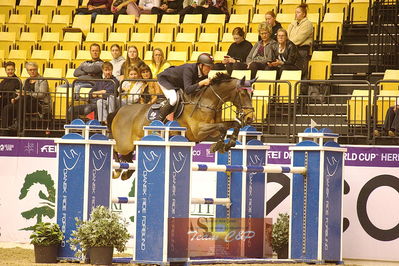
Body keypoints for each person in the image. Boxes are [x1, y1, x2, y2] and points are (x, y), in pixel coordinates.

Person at [156, 52, 214, 121]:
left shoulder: (203, 73)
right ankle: (159, 120)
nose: (209, 69)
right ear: (201, 65)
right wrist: (202, 83)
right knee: (173, 99)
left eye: (211, 67)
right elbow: (188, 90)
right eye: (208, 67)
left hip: (178, 84)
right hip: (166, 80)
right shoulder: (189, 69)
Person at [1, 62, 49, 132]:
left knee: (24, 99)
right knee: (8, 108)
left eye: (34, 69)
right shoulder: (26, 80)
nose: (32, 71)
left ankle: (19, 125)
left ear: (37, 69)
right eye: (30, 70)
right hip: (24, 103)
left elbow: (42, 94)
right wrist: (15, 98)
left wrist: (28, 93)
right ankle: (4, 130)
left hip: (37, 104)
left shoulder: (42, 80)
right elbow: (22, 93)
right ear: (27, 71)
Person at [287, 3, 313, 79]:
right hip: (292, 49)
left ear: (304, 14)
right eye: (295, 12)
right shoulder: (292, 23)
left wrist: (288, 44)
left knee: (301, 72)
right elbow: (287, 34)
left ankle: (302, 90)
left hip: (302, 50)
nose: (296, 14)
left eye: (298, 12)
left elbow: (299, 38)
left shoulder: (308, 24)